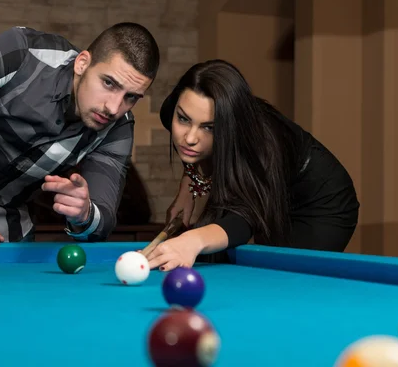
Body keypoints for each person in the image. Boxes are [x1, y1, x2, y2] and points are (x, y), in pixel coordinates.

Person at [0, 23, 160, 260]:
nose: (114, 108)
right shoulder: (18, 54)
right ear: (82, 63)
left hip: (9, 229)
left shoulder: (118, 128)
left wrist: (85, 213)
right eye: (108, 83)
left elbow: (102, 218)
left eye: (132, 97)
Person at [145, 59, 360, 271]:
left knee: (285, 279)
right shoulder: (172, 112)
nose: (190, 138)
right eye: (184, 119)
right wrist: (189, 180)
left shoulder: (260, 146)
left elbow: (244, 220)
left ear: (229, 127)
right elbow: (191, 150)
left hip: (319, 202)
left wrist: (192, 241)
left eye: (209, 128)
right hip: (266, 187)